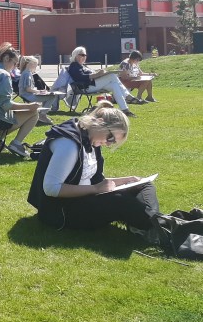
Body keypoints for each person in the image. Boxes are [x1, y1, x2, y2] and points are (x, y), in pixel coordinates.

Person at [27, 100, 160, 235]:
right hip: (62, 211)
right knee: (120, 199)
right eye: (111, 138)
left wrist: (126, 180)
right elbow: (51, 188)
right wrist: (95, 189)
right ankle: (156, 225)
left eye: (113, 141)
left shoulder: (90, 136)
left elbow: (95, 180)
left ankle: (153, 223)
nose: (108, 144)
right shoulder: (69, 144)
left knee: (144, 184)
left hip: (84, 198)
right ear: (100, 123)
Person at [0, 43, 40, 158]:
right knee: (34, 113)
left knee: (19, 112)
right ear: (6, 58)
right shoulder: (4, 75)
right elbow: (6, 104)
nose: (15, 67)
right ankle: (16, 143)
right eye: (15, 63)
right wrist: (29, 106)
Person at [67, 46, 140, 117]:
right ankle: (127, 96)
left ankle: (125, 110)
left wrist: (99, 72)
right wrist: (97, 74)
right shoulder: (74, 65)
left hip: (93, 84)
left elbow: (90, 73)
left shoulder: (82, 65)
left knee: (114, 85)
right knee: (112, 76)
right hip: (86, 87)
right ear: (76, 55)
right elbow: (80, 77)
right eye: (82, 55)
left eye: (85, 55)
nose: (84, 57)